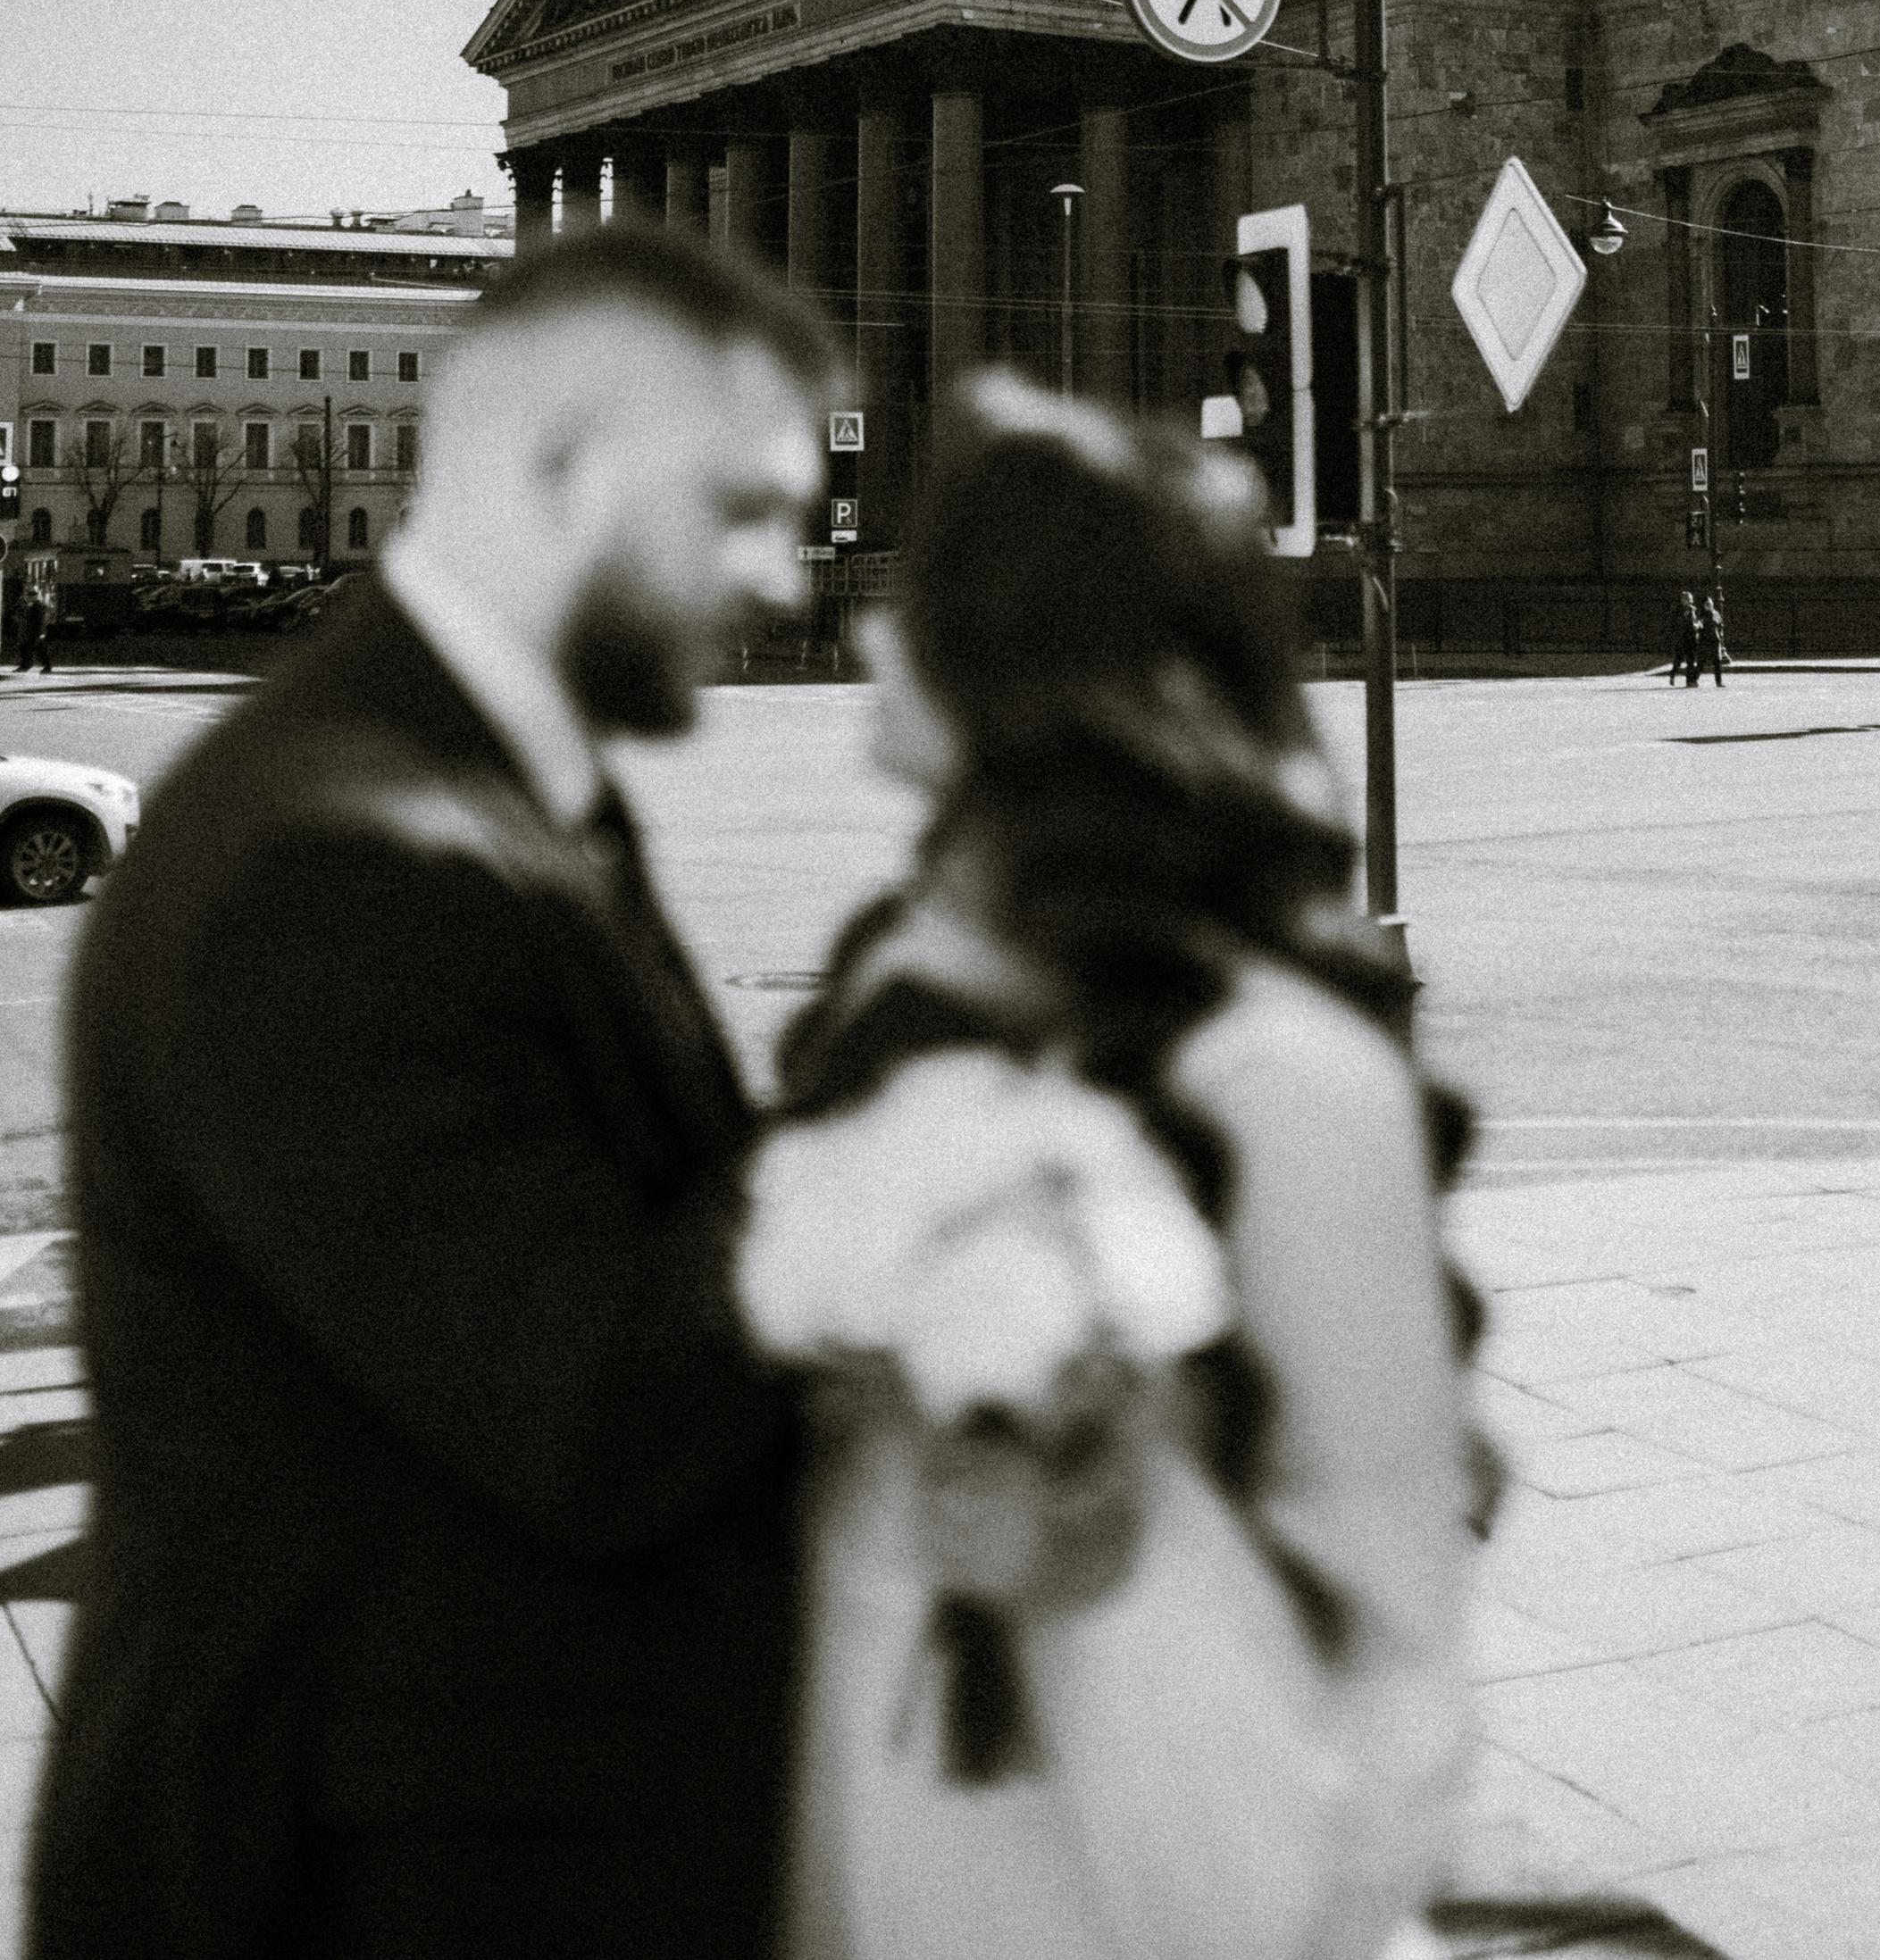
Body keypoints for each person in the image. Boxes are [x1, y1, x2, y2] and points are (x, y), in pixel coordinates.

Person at [31, 225, 835, 1960]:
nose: (789, 574)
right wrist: (881, 1133)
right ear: (565, 470)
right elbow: (595, 1405)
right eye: (745, 509)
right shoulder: (335, 861)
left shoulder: (462, 783)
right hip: (358, 1893)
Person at [751, 378, 1479, 1960]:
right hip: (877, 1800)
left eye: (919, 599)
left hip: (1141, 1860)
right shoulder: (894, 974)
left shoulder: (1282, 1075)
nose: (871, 631)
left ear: (1020, 660)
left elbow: (1397, 1624)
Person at [13, 562, 57, 674]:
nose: (26, 598)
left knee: (39, 649)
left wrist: (41, 632)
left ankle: (46, 666)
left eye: (28, 596)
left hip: (35, 632)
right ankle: (27, 665)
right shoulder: (27, 606)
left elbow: (41, 621)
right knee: (25, 648)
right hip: (27, 632)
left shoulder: (39, 606)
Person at [1695, 588, 1727, 689]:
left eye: (1710, 603)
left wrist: (1721, 634)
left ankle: (1719, 682)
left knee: (1717, 661)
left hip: (1715, 639)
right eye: (1707, 604)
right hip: (1704, 640)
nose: (1710, 606)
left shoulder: (1716, 613)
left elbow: (1721, 625)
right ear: (1703, 605)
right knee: (1702, 661)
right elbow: (1698, 626)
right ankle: (1694, 679)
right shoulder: (1702, 616)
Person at [1667, 586, 1699, 687]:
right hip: (1681, 638)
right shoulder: (1678, 611)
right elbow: (1676, 624)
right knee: (1679, 659)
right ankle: (1673, 674)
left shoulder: (1694, 610)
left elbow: (1697, 622)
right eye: (1686, 600)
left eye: (1689, 600)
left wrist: (1697, 626)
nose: (1688, 602)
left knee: (1691, 660)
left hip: (1691, 637)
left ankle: (1689, 681)